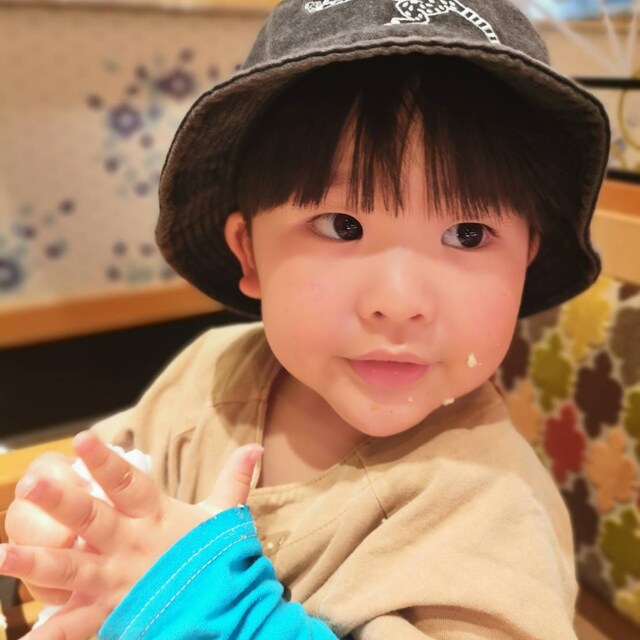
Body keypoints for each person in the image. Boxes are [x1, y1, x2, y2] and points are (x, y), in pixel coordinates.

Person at [0, 0, 610, 638]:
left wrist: (215, 613)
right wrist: (65, 520)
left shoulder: (492, 511)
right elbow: (113, 482)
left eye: (468, 233)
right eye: (342, 226)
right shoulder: (210, 376)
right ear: (249, 254)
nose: (399, 300)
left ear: (524, 264)